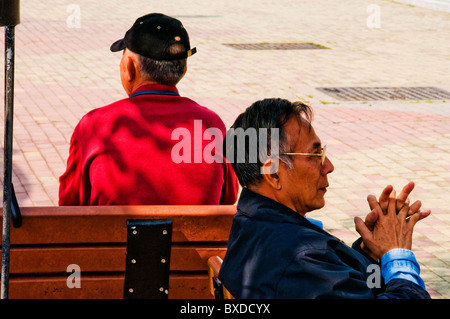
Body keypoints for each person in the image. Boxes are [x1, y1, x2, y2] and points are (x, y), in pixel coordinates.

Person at [218, 98, 431, 299]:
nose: (328, 166)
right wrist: (397, 258)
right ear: (273, 174)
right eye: (315, 155)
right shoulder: (302, 258)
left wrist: (368, 252)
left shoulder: (251, 222)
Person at [59, 13, 238, 205]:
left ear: (129, 67)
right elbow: (228, 199)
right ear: (183, 70)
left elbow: (70, 203)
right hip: (197, 235)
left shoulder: (94, 126)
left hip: (113, 236)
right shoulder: (211, 125)